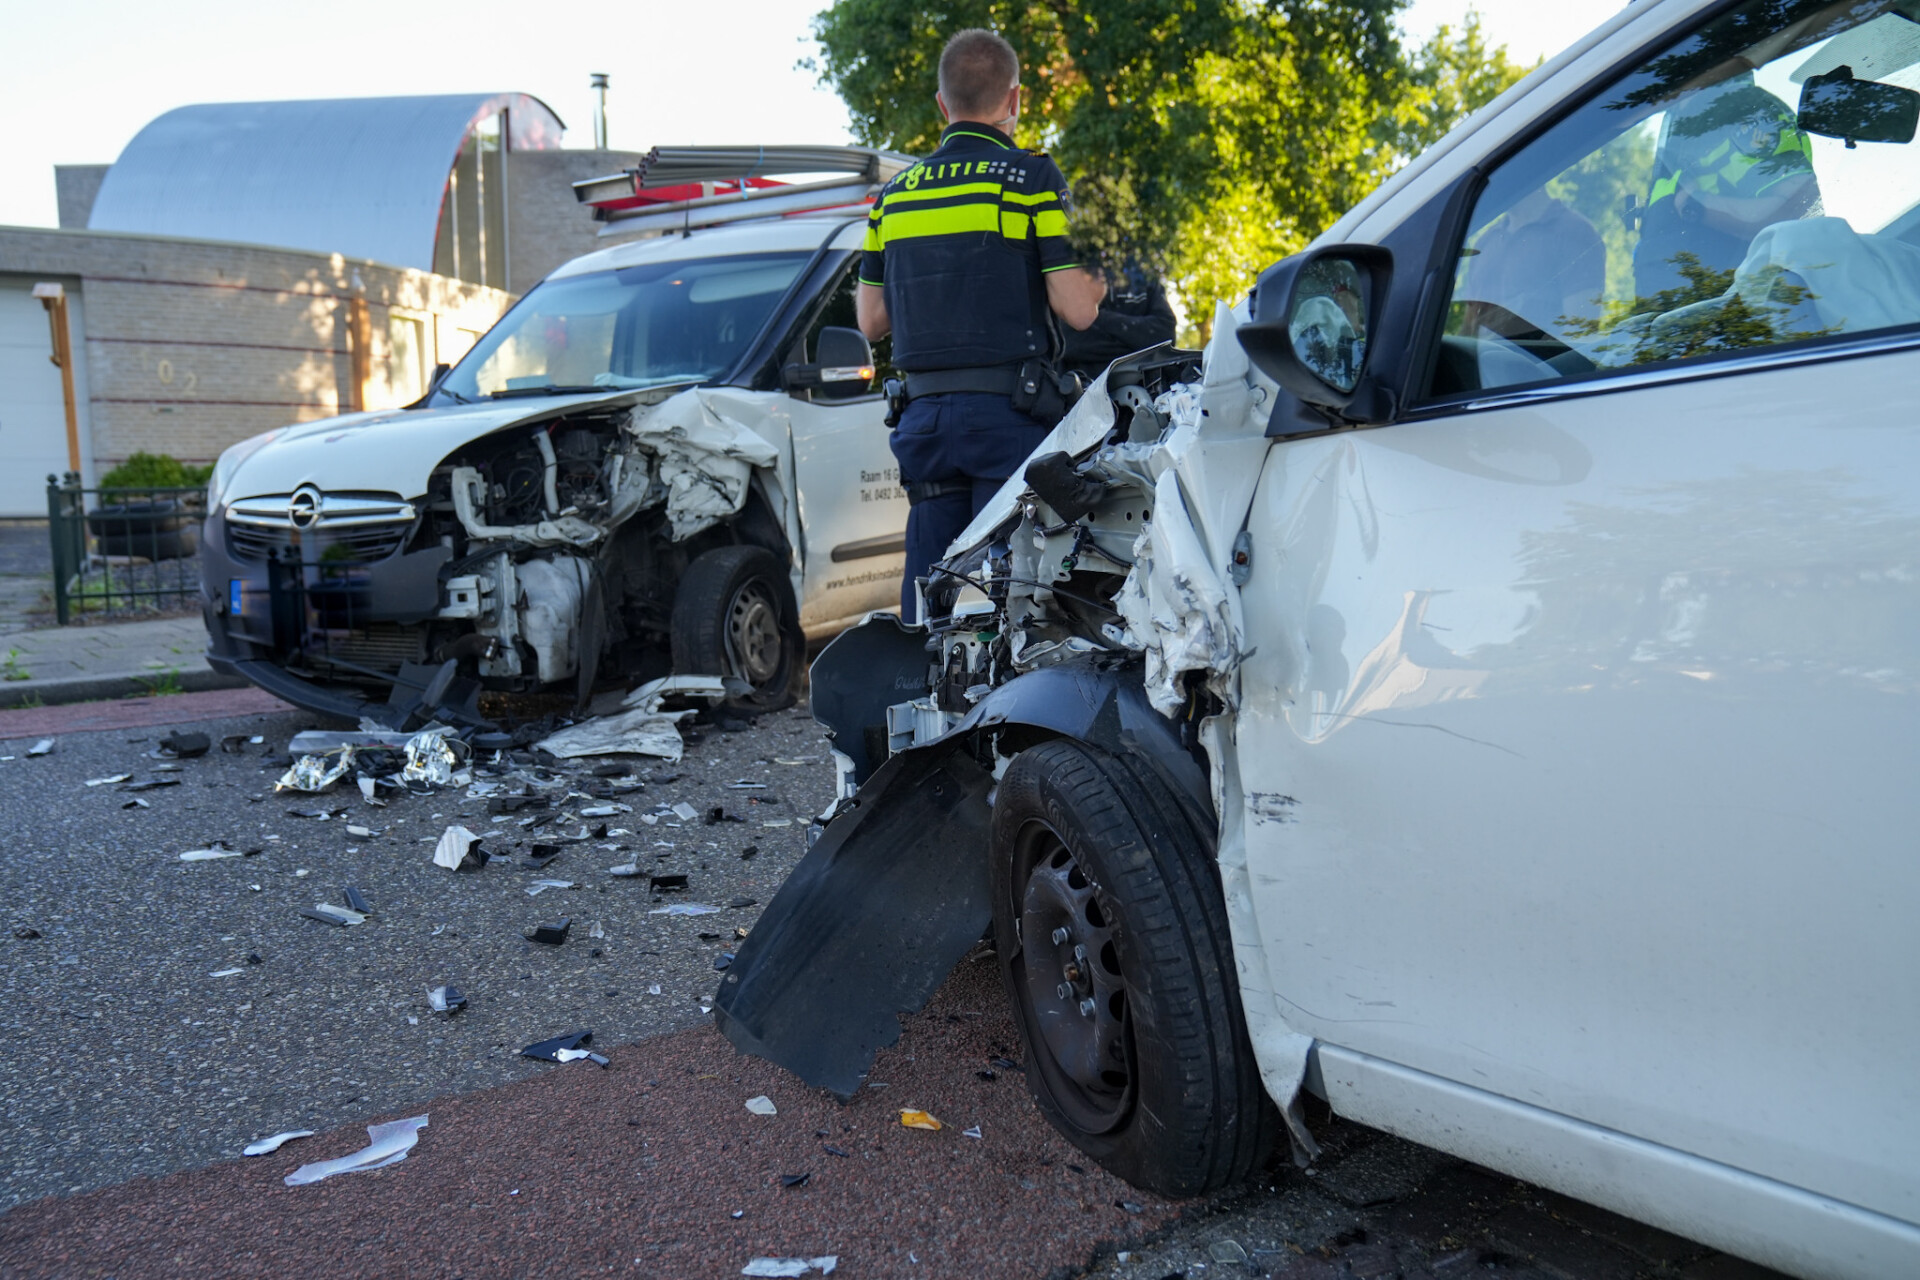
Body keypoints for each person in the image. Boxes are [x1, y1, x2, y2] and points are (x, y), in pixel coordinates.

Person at [856, 27, 1107, 620]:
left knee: (928, 599)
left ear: (943, 106)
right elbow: (1078, 309)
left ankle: (919, 698)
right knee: (1019, 597)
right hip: (1008, 421)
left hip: (923, 426)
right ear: (1014, 100)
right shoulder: (1031, 180)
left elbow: (870, 322)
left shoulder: (893, 198)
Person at [1634, 76, 1820, 304]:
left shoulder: (1749, 111)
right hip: (1676, 318)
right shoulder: (1679, 126)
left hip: (1745, 312)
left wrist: (1698, 208)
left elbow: (1790, 211)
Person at [1059, 259, 1178, 380]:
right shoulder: (1073, 272)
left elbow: (1166, 335)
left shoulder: (1146, 278)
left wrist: (1098, 317)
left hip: (1143, 393)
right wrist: (1140, 345)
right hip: (1083, 391)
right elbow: (1066, 342)